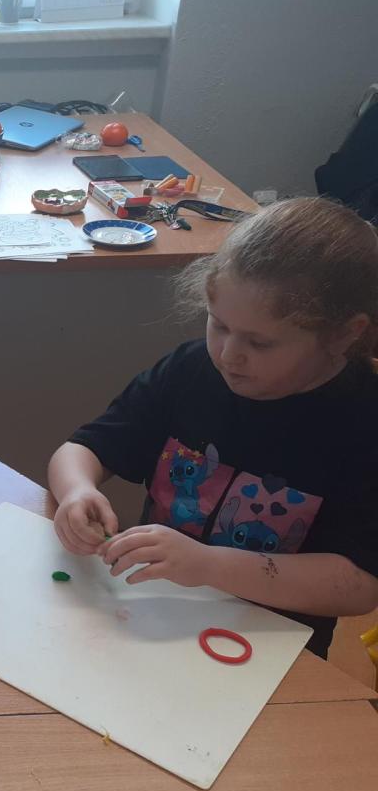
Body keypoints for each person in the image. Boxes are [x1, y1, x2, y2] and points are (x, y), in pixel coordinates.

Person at [48, 197, 378, 657]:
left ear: (343, 334)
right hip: (149, 619)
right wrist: (77, 491)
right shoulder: (191, 371)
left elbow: (359, 586)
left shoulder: (363, 421)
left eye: (260, 343)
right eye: (218, 324)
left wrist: (208, 565)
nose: (228, 355)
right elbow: (83, 449)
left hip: (270, 651)